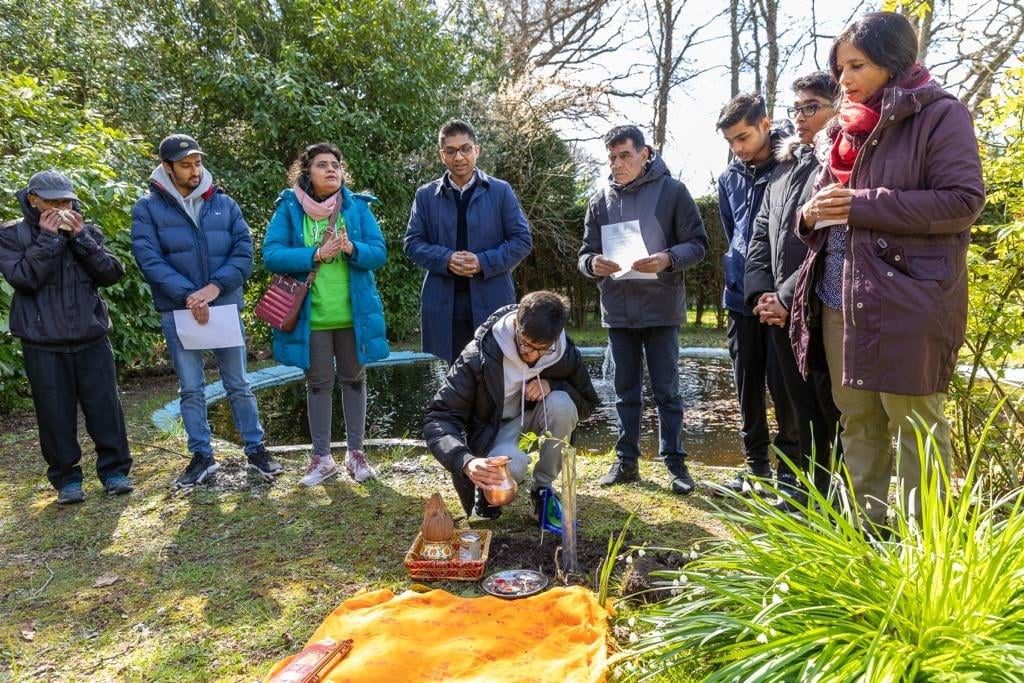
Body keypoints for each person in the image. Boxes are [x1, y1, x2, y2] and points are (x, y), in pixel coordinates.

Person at [789, 12, 985, 527]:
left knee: (915, 425)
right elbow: (822, 203)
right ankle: (866, 543)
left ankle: (929, 552)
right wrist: (809, 215)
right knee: (857, 421)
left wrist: (860, 204)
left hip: (907, 298)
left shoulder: (942, 115)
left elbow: (962, 202)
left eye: (857, 65)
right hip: (839, 296)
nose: (844, 79)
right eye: (839, 69)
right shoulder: (841, 130)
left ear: (894, 61)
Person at [131, 134, 281, 490]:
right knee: (191, 388)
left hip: (224, 305)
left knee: (240, 384)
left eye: (197, 162)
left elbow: (244, 251)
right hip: (179, 310)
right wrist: (189, 297)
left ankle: (256, 449)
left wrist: (213, 288)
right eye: (186, 164)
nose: (194, 170)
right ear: (167, 167)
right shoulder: (147, 208)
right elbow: (149, 259)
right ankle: (201, 456)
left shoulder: (224, 204)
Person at [578, 125, 708, 495]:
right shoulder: (599, 199)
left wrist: (668, 258)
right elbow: (584, 253)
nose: (617, 164)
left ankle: (676, 464)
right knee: (624, 389)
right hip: (618, 309)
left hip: (661, 308)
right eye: (612, 158)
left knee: (667, 390)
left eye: (625, 156)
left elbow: (698, 244)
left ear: (645, 153)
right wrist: (592, 265)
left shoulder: (674, 191)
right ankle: (626, 461)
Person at [0, 171, 133, 504]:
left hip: (91, 337)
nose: (63, 207)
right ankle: (67, 481)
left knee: (106, 409)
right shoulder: (12, 235)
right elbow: (24, 279)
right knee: (54, 415)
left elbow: (111, 274)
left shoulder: (86, 231)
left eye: (67, 200)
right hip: (42, 342)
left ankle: (115, 472)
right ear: (34, 200)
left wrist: (80, 238)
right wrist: (49, 239)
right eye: (54, 201)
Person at [263, 143, 389, 487]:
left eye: (336, 164)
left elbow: (379, 253)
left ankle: (356, 454)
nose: (332, 169)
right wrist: (316, 253)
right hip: (311, 318)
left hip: (353, 316)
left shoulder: (357, 207)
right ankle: (322, 459)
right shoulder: (289, 208)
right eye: (323, 165)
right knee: (318, 385)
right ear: (307, 173)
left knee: (354, 380)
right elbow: (271, 254)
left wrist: (352, 248)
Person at [744, 72, 842, 505]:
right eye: (796, 108)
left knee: (831, 411)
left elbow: (825, 242)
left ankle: (836, 499)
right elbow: (761, 235)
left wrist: (785, 297)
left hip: (820, 308)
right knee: (799, 408)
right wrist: (760, 296)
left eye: (811, 107)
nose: (800, 117)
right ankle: (806, 495)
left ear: (836, 107)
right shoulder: (784, 167)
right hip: (780, 312)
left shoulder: (838, 163)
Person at [423, 291, 599, 519]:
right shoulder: (478, 356)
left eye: (543, 349)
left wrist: (554, 385)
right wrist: (466, 461)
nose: (533, 356)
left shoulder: (564, 353)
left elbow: (588, 404)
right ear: (516, 324)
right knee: (510, 470)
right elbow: (439, 418)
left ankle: (543, 490)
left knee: (562, 404)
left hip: (531, 421)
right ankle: (486, 492)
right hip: (493, 433)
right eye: (527, 345)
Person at [715, 94, 801, 494]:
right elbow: (734, 232)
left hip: (782, 299)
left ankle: (790, 470)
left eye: (743, 137)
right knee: (746, 385)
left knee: (784, 387)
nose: (738, 148)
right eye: (731, 141)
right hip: (739, 298)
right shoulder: (729, 177)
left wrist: (778, 291)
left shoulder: (793, 163)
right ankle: (755, 466)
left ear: (766, 123)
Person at [404, 119, 533, 364]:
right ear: (442, 155)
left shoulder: (501, 191)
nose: (459, 157)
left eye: (465, 149)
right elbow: (412, 243)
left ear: (477, 150)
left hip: (492, 299)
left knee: (494, 374)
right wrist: (447, 259)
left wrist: (483, 261)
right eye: (451, 151)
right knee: (456, 380)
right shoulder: (425, 196)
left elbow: (522, 240)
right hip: (445, 305)